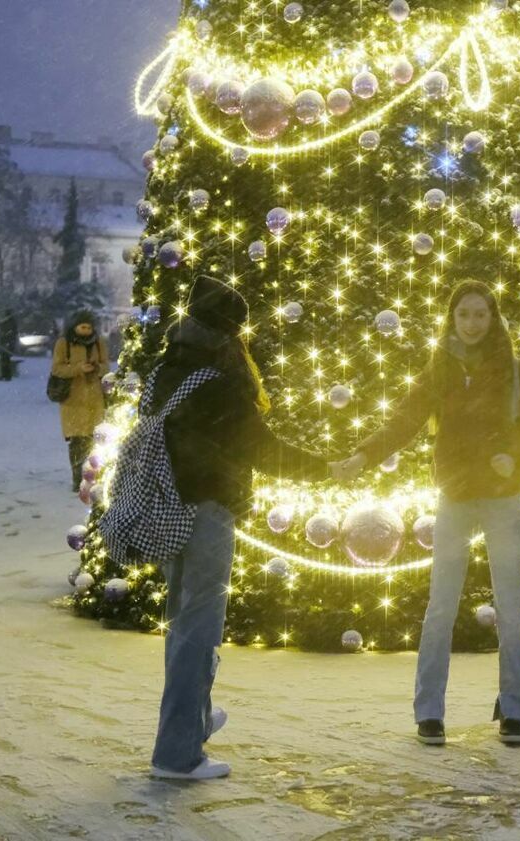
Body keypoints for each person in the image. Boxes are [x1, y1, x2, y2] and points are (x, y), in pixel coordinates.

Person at [333, 280, 520, 747]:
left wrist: (514, 465)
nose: (472, 323)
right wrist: (362, 456)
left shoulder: (517, 371)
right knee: (441, 607)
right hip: (454, 497)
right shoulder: (439, 371)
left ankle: (514, 710)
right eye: (464, 315)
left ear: (493, 319)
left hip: (503, 499)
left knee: (511, 608)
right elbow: (404, 420)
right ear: (451, 319)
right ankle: (429, 712)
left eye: (480, 314)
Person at [149, 275, 330, 780]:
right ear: (232, 330)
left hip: (170, 509)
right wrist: (327, 467)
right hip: (207, 511)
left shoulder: (172, 365)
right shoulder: (223, 377)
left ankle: (196, 719)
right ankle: (178, 754)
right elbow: (262, 449)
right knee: (197, 631)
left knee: (183, 622)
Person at [53, 310, 109, 490]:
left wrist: (95, 368)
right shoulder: (64, 343)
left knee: (94, 441)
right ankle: (77, 479)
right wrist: (78, 368)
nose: (86, 331)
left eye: (88, 327)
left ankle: (93, 476)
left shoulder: (99, 343)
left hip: (94, 400)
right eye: (82, 327)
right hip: (73, 400)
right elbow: (57, 369)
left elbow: (106, 366)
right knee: (77, 442)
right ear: (75, 326)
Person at [0, 309, 18, 381]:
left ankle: (7, 375)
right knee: (4, 360)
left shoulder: (11, 322)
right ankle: (4, 375)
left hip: (7, 342)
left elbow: (11, 332)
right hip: (5, 342)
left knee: (6, 360)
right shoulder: (7, 322)